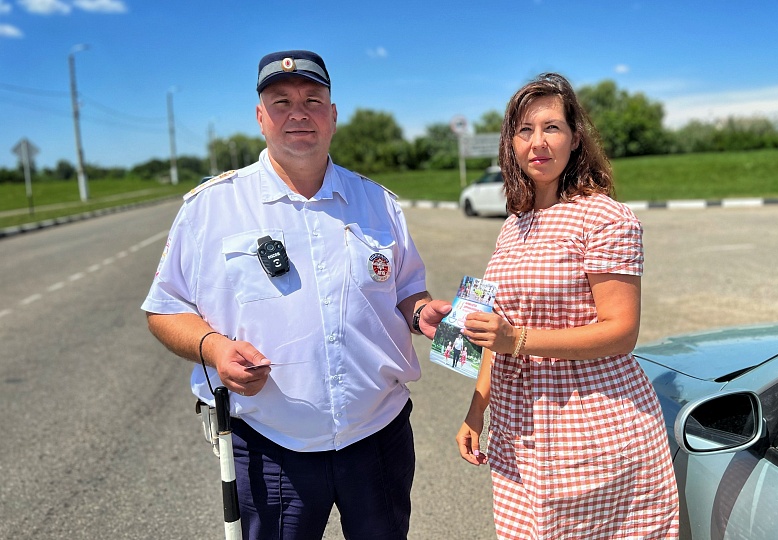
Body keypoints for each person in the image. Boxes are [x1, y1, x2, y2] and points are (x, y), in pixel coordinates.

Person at [141, 49, 449, 540]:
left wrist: (420, 312)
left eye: (312, 100)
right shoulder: (210, 208)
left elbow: (407, 288)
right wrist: (215, 349)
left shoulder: (379, 203)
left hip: (377, 435)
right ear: (261, 117)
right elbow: (166, 309)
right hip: (270, 445)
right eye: (281, 102)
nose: (298, 113)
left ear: (333, 115)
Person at [454, 73, 679, 539]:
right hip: (518, 428)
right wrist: (476, 411)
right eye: (524, 130)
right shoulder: (514, 224)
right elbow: (499, 331)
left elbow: (621, 331)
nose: (537, 142)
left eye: (551, 127)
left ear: (576, 138)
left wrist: (517, 339)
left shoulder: (605, 217)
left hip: (589, 421)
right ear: (511, 144)